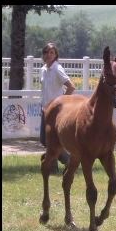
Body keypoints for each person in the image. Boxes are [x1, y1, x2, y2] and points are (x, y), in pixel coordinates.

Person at [40, 42, 75, 172]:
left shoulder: (57, 69)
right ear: (43, 55)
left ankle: (66, 161)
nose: (49, 55)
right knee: (46, 140)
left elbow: (71, 87)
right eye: (46, 52)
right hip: (44, 109)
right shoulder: (43, 69)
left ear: (55, 55)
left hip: (56, 111)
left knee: (50, 140)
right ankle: (55, 165)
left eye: (52, 52)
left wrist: (62, 102)